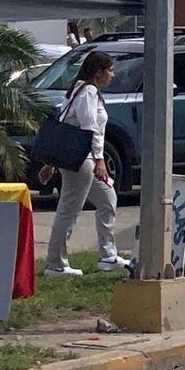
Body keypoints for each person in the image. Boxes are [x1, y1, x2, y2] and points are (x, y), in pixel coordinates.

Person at [37, 50, 130, 277]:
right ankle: (56, 264)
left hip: (83, 158)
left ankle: (108, 256)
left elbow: (65, 125)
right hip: (83, 160)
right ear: (98, 72)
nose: (112, 75)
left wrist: (52, 162)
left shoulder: (80, 90)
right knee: (69, 210)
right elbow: (90, 128)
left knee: (108, 198)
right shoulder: (87, 91)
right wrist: (99, 159)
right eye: (109, 70)